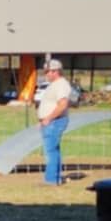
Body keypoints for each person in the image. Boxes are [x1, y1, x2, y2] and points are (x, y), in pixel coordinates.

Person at [36, 55, 73, 186]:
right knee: (54, 151)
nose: (46, 74)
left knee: (50, 151)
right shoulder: (55, 85)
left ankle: (50, 180)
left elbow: (62, 105)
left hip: (54, 121)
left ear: (56, 71)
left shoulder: (61, 85)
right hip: (50, 121)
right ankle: (55, 178)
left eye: (48, 71)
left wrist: (48, 118)